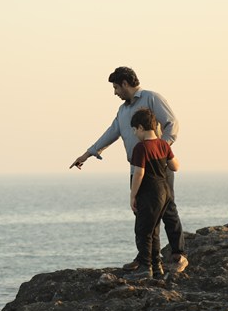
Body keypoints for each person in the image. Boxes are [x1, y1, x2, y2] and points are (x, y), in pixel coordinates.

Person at [70, 66, 188, 274]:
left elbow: (172, 123)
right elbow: (112, 132)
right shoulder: (123, 110)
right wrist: (87, 154)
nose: (114, 92)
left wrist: (161, 148)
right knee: (143, 214)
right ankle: (149, 258)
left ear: (125, 84)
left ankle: (179, 255)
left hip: (158, 166)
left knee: (167, 209)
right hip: (137, 166)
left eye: (116, 87)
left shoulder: (152, 98)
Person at [127, 108, 179, 278]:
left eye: (134, 130)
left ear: (141, 127)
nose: (135, 134)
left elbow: (139, 173)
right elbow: (175, 166)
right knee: (153, 229)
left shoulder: (141, 148)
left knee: (143, 231)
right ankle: (156, 267)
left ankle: (144, 268)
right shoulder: (163, 144)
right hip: (164, 191)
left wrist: (133, 195)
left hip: (149, 193)